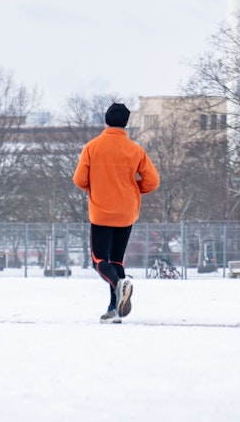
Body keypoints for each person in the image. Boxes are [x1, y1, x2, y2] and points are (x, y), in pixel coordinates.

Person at [73, 102, 159, 324]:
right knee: (117, 260)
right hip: (126, 212)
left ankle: (119, 284)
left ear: (105, 120)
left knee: (100, 260)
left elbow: (79, 180)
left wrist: (98, 187)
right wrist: (132, 191)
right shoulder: (136, 150)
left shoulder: (92, 147)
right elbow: (152, 181)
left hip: (101, 213)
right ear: (126, 124)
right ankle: (114, 309)